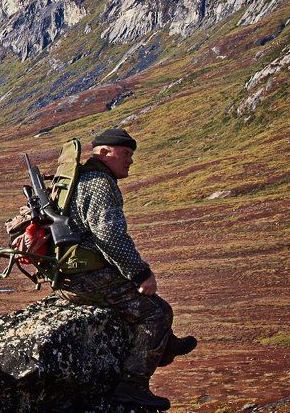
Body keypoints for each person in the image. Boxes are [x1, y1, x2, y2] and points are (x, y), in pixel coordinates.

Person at [55, 128, 196, 410]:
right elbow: (109, 234)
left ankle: (165, 346)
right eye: (126, 154)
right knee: (157, 313)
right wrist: (140, 274)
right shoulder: (100, 183)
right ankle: (133, 386)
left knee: (148, 305)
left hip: (71, 274)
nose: (131, 161)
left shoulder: (84, 178)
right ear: (105, 153)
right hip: (86, 277)